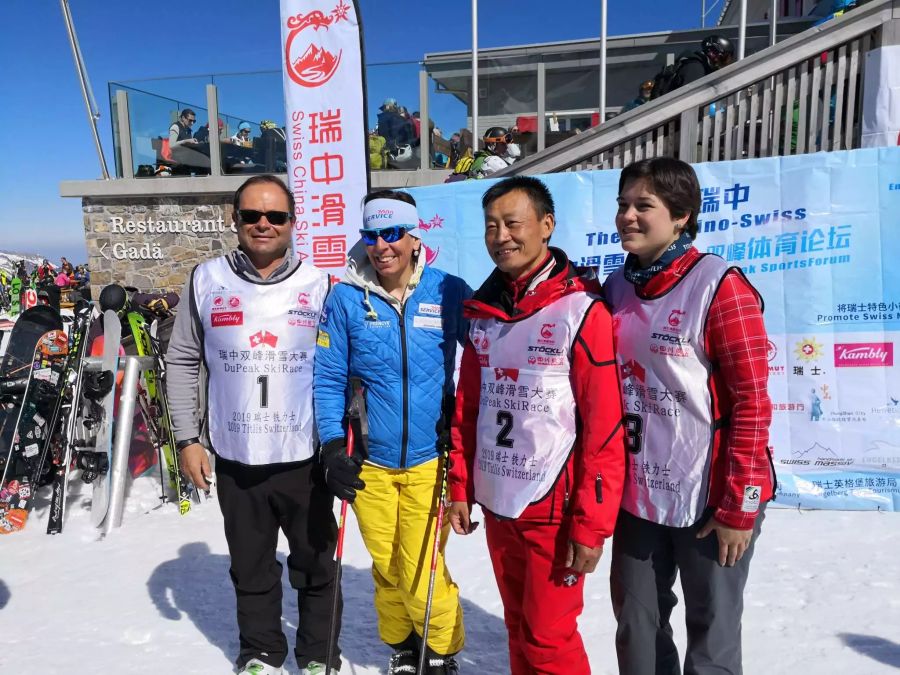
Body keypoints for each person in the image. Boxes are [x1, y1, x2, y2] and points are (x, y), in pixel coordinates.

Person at [447, 176, 626, 674]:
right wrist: (460, 486)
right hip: (499, 501)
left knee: (549, 639)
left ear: (546, 226)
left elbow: (604, 427)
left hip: (555, 508)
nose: (500, 236)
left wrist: (590, 522)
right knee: (517, 626)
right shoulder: (483, 315)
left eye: (512, 223)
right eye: (490, 226)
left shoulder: (580, 312)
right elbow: (469, 409)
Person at [166, 174, 342, 675]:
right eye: (251, 215)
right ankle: (261, 651)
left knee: (315, 565)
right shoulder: (207, 279)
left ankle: (318, 655)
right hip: (236, 453)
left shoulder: (322, 284)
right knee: (251, 566)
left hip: (304, 454)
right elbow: (182, 360)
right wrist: (187, 438)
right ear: (234, 219)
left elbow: (344, 368)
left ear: (292, 223)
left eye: (275, 216)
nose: (263, 224)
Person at [604, 157, 774, 674]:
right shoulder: (616, 288)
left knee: (712, 634)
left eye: (643, 206)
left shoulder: (719, 287)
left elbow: (752, 404)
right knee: (638, 629)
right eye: (622, 204)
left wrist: (738, 508)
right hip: (639, 493)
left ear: (681, 217)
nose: (628, 216)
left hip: (712, 497)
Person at [314, 190, 471, 675]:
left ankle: (441, 650)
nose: (382, 246)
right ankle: (402, 644)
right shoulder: (344, 298)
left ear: (412, 235)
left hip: (429, 458)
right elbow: (326, 375)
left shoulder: (448, 290)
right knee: (386, 564)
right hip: (372, 462)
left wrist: (466, 420)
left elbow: (492, 349)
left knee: (420, 565)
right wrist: (332, 444)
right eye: (372, 234)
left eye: (392, 233)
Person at [651, 35, 735, 99]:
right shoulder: (696, 67)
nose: (723, 63)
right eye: (723, 58)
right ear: (712, 52)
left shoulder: (696, 64)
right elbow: (687, 98)